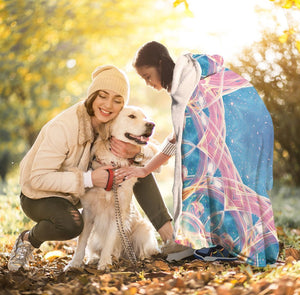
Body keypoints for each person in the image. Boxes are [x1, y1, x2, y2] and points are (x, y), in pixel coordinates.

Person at [115, 41, 280, 267]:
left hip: (228, 145)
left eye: (147, 75)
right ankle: (217, 243)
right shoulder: (184, 86)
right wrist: (144, 169)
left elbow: (208, 120)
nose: (148, 83)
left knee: (222, 187)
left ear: (160, 64)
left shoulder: (192, 84)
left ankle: (233, 246)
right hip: (218, 149)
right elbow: (177, 139)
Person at [7, 64, 174, 272]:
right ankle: (28, 239)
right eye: (103, 96)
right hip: (39, 195)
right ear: (92, 95)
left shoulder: (110, 123)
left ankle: (170, 239)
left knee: (138, 170)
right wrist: (90, 179)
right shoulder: (64, 127)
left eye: (117, 100)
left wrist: (135, 153)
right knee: (71, 224)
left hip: (74, 193)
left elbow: (156, 154)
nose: (108, 105)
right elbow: (37, 179)